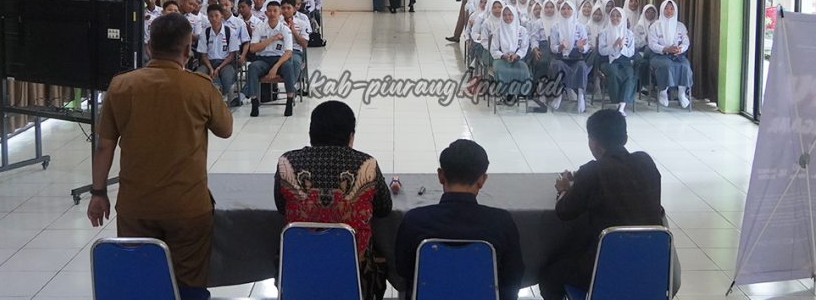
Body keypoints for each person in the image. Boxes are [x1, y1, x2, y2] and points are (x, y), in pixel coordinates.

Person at [87, 13, 233, 296]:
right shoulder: (200, 87)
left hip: (136, 206)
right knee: (188, 283)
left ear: (149, 47)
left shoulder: (121, 85)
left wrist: (98, 192)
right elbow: (225, 130)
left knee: (141, 282)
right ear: (188, 50)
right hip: (187, 207)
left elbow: (105, 146)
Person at [538, 110, 662, 300]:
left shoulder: (593, 171)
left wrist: (563, 190)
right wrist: (581, 176)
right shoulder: (646, 161)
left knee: (549, 275)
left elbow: (565, 211)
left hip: (607, 266)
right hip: (652, 264)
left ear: (592, 142)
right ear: (625, 138)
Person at [275, 101, 392, 300]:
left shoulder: (287, 163)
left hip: (299, 274)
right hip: (355, 277)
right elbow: (384, 209)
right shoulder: (367, 164)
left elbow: (281, 207)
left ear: (311, 133)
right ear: (350, 136)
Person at [394, 140, 524, 300]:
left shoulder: (415, 220)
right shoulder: (502, 222)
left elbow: (403, 269)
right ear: (482, 180)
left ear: (441, 176)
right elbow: (513, 275)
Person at [244, 0, 296, 117]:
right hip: (263, 59)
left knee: (288, 67)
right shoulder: (259, 28)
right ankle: (254, 101)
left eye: (275, 11)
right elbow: (253, 48)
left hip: (279, 59)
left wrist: (276, 67)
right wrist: (272, 39)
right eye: (270, 11)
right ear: (266, 13)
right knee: (252, 67)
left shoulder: (285, 29)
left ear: (280, 13)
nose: (272, 13)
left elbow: (288, 52)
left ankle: (289, 100)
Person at [647, 0, 693, 108]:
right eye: (666, 8)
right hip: (659, 55)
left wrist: (680, 49)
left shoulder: (680, 26)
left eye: (672, 9)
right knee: (667, 66)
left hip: (677, 55)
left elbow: (686, 42)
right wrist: (666, 49)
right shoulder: (655, 26)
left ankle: (682, 94)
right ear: (662, 10)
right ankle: (663, 93)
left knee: (685, 66)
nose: (669, 11)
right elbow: (652, 44)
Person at [548, 1, 590, 112]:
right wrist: (561, 46)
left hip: (576, 58)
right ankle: (559, 93)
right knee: (558, 65)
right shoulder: (555, 27)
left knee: (582, 67)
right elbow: (553, 47)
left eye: (569, 8)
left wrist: (581, 47)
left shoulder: (580, 27)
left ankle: (580, 95)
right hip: (560, 57)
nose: (566, 11)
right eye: (563, 8)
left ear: (574, 11)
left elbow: (586, 47)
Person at [196, 4, 239, 100]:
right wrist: (211, 68)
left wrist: (218, 68)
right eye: (211, 16)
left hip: (225, 63)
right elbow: (203, 55)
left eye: (216, 16)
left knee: (227, 78)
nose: (214, 19)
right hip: (208, 62)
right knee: (199, 76)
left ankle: (221, 95)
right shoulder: (205, 32)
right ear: (208, 18)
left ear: (221, 17)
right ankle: (205, 98)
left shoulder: (230, 32)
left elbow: (231, 55)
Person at [598, 7, 636, 115]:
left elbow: (631, 52)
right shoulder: (604, 32)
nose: (615, 18)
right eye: (612, 15)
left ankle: (622, 106)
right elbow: (601, 51)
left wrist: (622, 47)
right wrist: (613, 46)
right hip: (608, 61)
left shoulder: (629, 34)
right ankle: (616, 102)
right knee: (614, 74)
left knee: (629, 75)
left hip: (624, 61)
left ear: (623, 18)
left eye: (618, 16)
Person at [281, 0, 309, 85]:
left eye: (288, 8)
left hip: (295, 51)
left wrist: (294, 32)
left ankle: (291, 87)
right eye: (283, 8)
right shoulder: (277, 23)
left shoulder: (301, 23)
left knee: (295, 62)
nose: (286, 11)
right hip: (280, 50)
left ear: (294, 9)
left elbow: (304, 44)